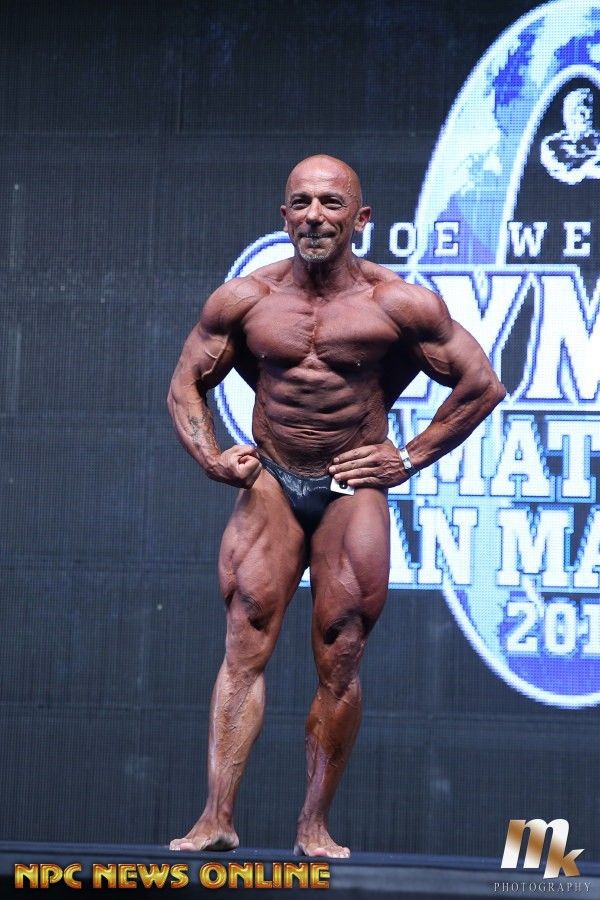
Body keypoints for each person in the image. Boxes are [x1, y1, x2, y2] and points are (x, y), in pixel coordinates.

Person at [167, 155, 505, 858]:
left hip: (351, 480)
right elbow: (184, 384)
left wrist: (408, 457)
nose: (315, 216)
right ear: (283, 215)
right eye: (301, 202)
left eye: (330, 203)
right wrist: (211, 458)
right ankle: (216, 817)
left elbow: (481, 383)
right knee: (244, 638)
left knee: (341, 647)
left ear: (361, 218)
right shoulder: (245, 299)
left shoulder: (398, 304)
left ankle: (312, 824)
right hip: (271, 478)